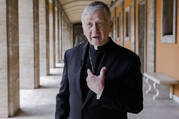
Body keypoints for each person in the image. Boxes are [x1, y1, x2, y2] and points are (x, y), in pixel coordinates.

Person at [55, 1, 143, 119]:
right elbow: (63, 96)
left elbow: (136, 105)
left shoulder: (128, 59)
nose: (94, 30)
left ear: (110, 25)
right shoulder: (71, 55)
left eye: (99, 23)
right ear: (83, 28)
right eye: (89, 24)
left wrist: (102, 91)